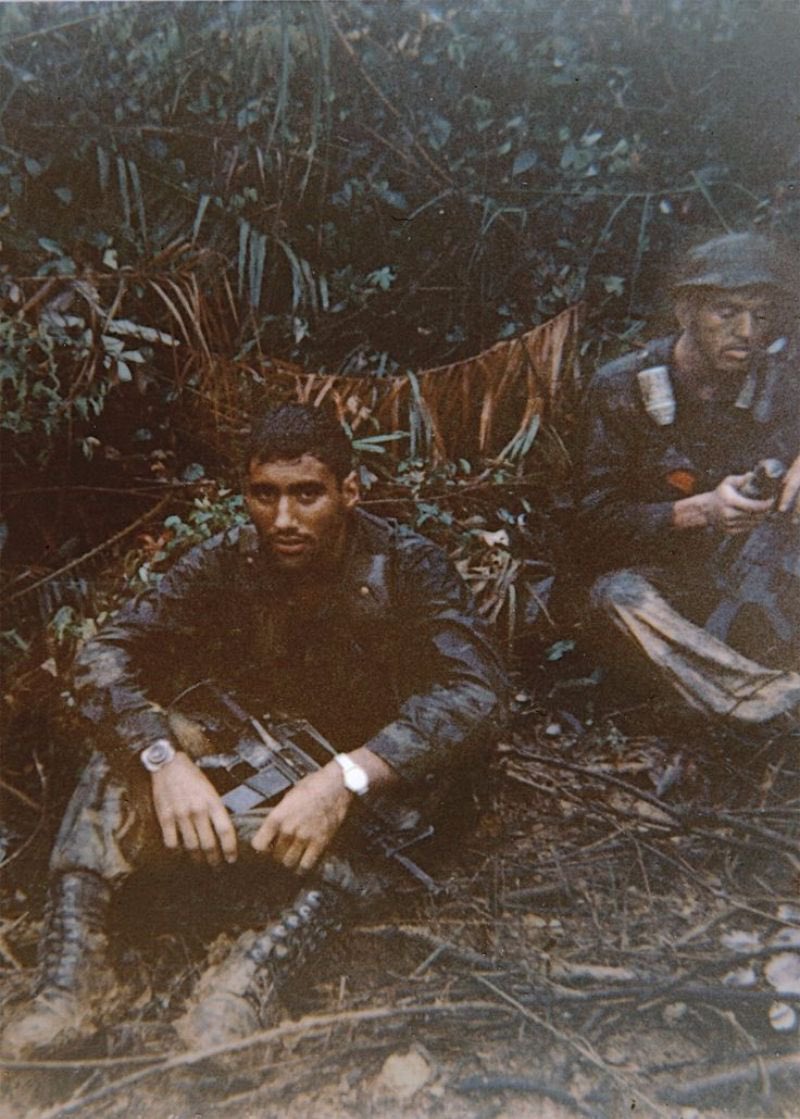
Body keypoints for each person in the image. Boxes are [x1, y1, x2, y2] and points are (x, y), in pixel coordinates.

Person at [1, 403, 507, 1057]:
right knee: (122, 748)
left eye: (307, 494)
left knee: (406, 798)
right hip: (252, 763)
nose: (284, 519)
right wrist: (163, 761)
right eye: (264, 495)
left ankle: (246, 976)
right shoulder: (229, 557)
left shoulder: (409, 568)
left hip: (360, 790)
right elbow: (105, 656)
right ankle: (72, 980)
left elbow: (477, 691)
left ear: (349, 491)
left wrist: (348, 775)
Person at [576, 232, 800, 726]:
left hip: (768, 580)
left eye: (761, 315)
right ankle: (767, 700)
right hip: (676, 591)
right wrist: (701, 511)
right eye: (726, 312)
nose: (747, 331)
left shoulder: (781, 379)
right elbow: (589, 524)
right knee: (617, 598)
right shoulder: (621, 390)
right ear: (685, 311)